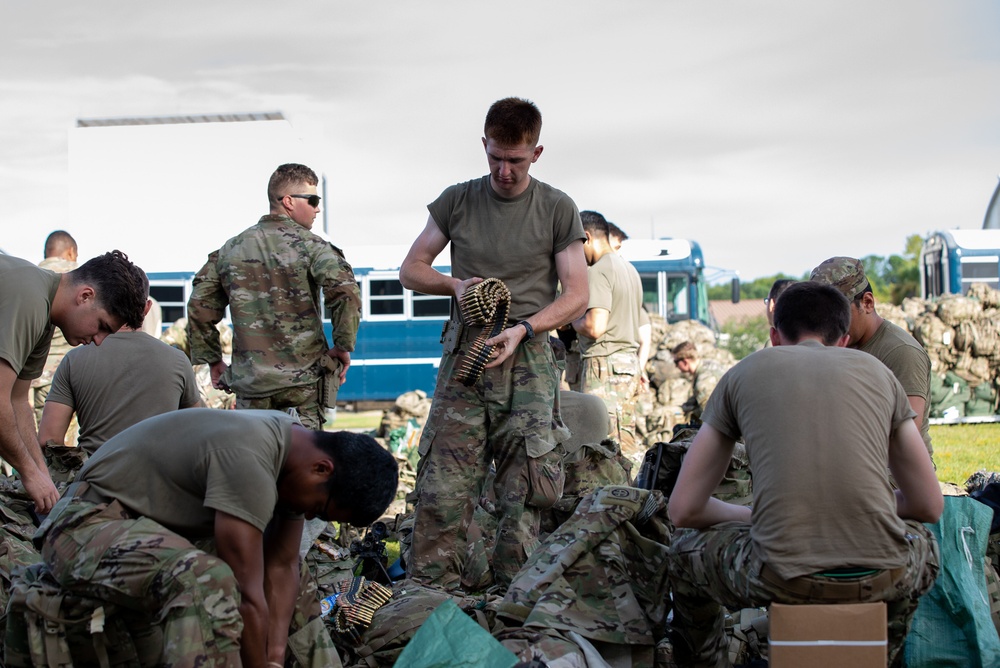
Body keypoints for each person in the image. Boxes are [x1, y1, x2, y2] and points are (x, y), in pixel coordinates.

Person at [666, 281, 942, 668]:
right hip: (879, 574)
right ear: (844, 340)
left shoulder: (743, 372)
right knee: (925, 547)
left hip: (780, 575)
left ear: (775, 336)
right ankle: (882, 651)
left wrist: (752, 517)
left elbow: (683, 510)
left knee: (681, 552)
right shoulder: (880, 373)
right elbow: (929, 505)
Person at [33, 408, 398, 668]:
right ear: (321, 469)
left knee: (294, 580)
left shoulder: (297, 453)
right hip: (84, 526)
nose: (311, 516)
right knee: (203, 579)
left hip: (150, 531)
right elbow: (247, 593)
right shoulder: (249, 456)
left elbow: (283, 565)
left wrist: (271, 658)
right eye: (318, 508)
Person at [399, 96, 588, 589]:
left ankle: (513, 603)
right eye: (495, 158)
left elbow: (577, 296)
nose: (504, 171)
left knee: (525, 490)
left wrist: (524, 329)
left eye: (516, 160)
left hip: (527, 358)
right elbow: (411, 270)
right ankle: (428, 601)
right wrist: (455, 286)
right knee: (443, 485)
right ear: (483, 145)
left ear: (537, 153)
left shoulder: (556, 207)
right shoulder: (457, 200)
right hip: (468, 354)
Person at [187, 163, 362, 430]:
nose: (318, 208)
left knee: (254, 465)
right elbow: (346, 293)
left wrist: (212, 359)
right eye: (313, 200)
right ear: (288, 201)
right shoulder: (313, 247)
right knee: (303, 466)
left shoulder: (230, 249)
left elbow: (200, 304)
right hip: (302, 386)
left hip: (251, 386)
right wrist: (342, 346)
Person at [0, 249, 147, 512]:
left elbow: (18, 401)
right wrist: (29, 473)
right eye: (102, 325)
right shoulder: (30, 295)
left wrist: (42, 474)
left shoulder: (46, 315)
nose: (99, 340)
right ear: (85, 296)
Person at [37, 300, 203, 457]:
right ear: (147, 307)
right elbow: (197, 429)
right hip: (160, 480)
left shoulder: (74, 359)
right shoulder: (178, 360)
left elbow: (48, 439)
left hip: (96, 479)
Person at [811, 256, 934, 458]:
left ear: (867, 303)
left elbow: (906, 440)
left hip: (894, 469)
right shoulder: (836, 344)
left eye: (838, 314)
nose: (829, 324)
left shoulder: (902, 352)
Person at [571, 210, 644, 460]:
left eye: (576, 244)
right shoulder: (629, 269)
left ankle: (613, 497)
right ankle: (635, 494)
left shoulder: (599, 270)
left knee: (603, 444)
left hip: (605, 365)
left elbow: (595, 327)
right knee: (626, 440)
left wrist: (570, 317)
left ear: (587, 237)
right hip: (627, 363)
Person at [31, 231, 79, 433]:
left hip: (20, 381)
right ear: (71, 252)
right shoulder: (76, 276)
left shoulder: (29, 277)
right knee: (58, 449)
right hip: (58, 381)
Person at [671, 341, 725, 424]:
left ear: (685, 362)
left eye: (676, 362)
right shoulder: (709, 365)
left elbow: (711, 418)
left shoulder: (703, 381)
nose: (675, 366)